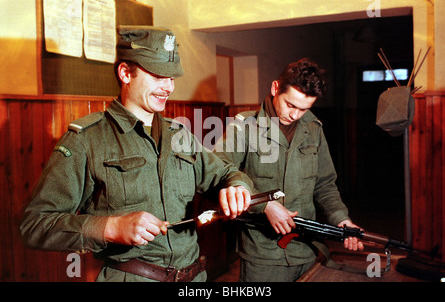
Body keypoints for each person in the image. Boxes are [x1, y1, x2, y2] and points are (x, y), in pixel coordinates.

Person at [20, 26, 253, 282]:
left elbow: (227, 172)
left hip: (194, 278)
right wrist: (111, 227)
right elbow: (35, 226)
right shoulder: (87, 140)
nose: (168, 87)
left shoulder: (180, 135)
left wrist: (237, 187)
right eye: (157, 76)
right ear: (125, 73)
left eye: (172, 78)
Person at [214, 58, 363, 282]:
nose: (295, 115)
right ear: (275, 88)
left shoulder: (313, 129)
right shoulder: (244, 127)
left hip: (307, 250)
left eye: (304, 109)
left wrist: (342, 219)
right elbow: (218, 173)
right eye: (290, 105)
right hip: (263, 255)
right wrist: (264, 204)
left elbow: (325, 185)